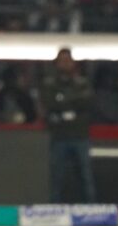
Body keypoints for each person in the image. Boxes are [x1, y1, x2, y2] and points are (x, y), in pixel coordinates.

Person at [39, 48, 96, 203]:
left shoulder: (82, 83)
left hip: (80, 135)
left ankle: (91, 208)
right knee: (56, 178)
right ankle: (53, 210)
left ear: (73, 63)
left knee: (85, 176)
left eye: (67, 60)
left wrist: (63, 101)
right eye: (62, 60)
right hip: (59, 136)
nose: (65, 64)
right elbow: (50, 103)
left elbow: (87, 102)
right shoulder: (50, 84)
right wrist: (72, 104)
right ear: (56, 63)